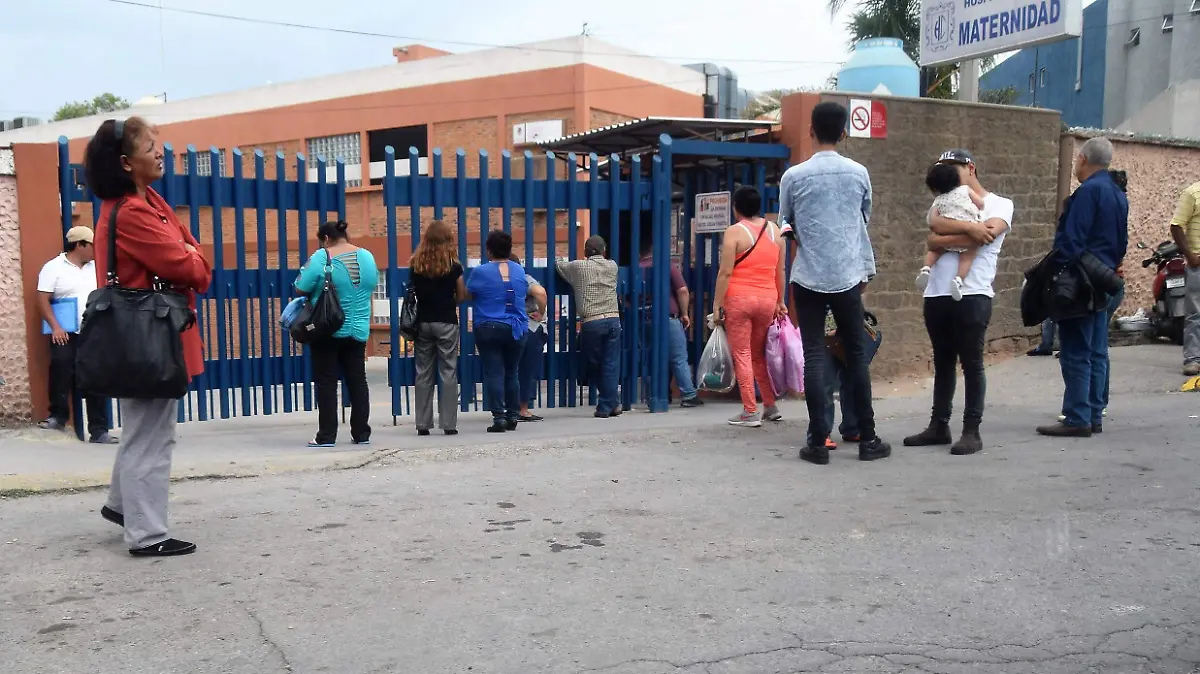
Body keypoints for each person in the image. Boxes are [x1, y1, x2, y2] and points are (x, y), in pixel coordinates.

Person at [87, 116, 212, 557]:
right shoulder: (136, 212)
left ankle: (123, 507)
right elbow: (191, 267)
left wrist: (188, 250)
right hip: (149, 336)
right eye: (149, 147)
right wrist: (193, 254)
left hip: (141, 332)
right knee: (153, 435)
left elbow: (185, 248)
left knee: (144, 428)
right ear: (125, 162)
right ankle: (146, 534)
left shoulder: (144, 200)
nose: (160, 152)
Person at [779, 101, 890, 465]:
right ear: (844, 133)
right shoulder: (859, 173)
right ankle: (867, 437)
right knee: (856, 355)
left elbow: (786, 225)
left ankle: (817, 440)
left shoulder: (793, 177)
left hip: (808, 276)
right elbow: (864, 217)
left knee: (813, 352)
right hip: (848, 275)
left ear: (811, 131)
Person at [903, 148, 1014, 455]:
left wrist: (948, 234)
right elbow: (932, 238)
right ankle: (938, 425)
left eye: (953, 167)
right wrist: (968, 228)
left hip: (973, 293)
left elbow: (986, 236)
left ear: (970, 168)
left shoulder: (999, 204)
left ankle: (971, 430)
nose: (949, 173)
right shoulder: (944, 199)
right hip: (937, 292)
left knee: (972, 362)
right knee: (942, 362)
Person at [1036, 137, 1128, 438]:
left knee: (1075, 349)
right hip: (1104, 279)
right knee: (1097, 349)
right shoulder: (1116, 193)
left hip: (1081, 280)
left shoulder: (1088, 193)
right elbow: (1121, 241)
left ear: (1084, 159)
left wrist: (1054, 272)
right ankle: (1093, 412)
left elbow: (1071, 241)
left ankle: (1077, 416)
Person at [294, 220, 378, 448]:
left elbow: (300, 286)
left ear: (326, 239)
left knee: (327, 382)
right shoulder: (367, 257)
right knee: (358, 380)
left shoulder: (322, 256)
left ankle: (326, 436)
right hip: (358, 328)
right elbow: (371, 284)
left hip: (328, 328)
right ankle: (361, 433)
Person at [712, 186, 786, 427]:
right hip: (767, 299)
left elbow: (725, 273)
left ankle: (749, 410)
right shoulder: (775, 231)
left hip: (740, 299)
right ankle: (770, 405)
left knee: (742, 353)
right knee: (758, 354)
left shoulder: (735, 231)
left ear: (736, 208)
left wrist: (717, 305)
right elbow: (780, 270)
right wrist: (780, 300)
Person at [36, 225, 116, 444]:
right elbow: (43, 298)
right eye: (92, 245)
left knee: (96, 376)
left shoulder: (96, 268)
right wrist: (56, 327)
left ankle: (99, 430)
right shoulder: (53, 268)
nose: (95, 250)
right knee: (61, 367)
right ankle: (58, 417)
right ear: (79, 245)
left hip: (94, 330)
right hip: (65, 331)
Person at [468, 230, 529, 433]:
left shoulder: (480, 272)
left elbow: (468, 294)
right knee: (512, 372)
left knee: (494, 372)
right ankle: (513, 416)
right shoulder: (519, 271)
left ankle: (499, 418)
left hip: (489, 326)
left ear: (488, 250)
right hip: (516, 327)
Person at [409, 220, 465, 437]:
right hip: (447, 321)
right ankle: (449, 424)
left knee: (423, 372)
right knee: (448, 371)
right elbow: (460, 296)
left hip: (423, 322)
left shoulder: (416, 265)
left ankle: (423, 424)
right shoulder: (454, 266)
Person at [557, 236, 622, 418]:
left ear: (586, 252)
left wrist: (559, 256)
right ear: (604, 251)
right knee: (610, 363)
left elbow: (559, 265)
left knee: (594, 364)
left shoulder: (578, 267)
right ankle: (613, 403)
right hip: (613, 319)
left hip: (592, 322)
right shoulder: (612, 266)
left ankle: (605, 406)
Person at [806, 310, 883, 450]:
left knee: (852, 377)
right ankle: (820, 433)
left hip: (846, 323)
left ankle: (852, 427)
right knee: (824, 379)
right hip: (824, 326)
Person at [639, 240, 703, 408]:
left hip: (643, 318)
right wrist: (684, 314)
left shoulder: (635, 268)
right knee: (678, 357)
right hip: (668, 317)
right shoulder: (665, 265)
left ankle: (656, 394)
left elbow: (627, 298)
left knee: (650, 357)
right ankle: (688, 394)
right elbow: (682, 290)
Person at [916, 163, 985, 301]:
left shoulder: (938, 200)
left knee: (935, 251)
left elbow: (932, 220)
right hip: (967, 233)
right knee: (968, 255)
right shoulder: (965, 190)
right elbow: (981, 204)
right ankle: (959, 279)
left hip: (946, 233)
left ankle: (926, 268)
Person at [1169, 178, 1200, 377]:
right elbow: (1176, 225)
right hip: (1198, 263)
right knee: (1196, 314)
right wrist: (1189, 255)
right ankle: (1193, 359)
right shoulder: (1192, 193)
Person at [515, 256, 549, 422]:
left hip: (509, 327)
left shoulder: (499, 280)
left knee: (509, 370)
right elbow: (540, 292)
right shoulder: (523, 278)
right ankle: (523, 409)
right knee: (527, 370)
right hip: (530, 327)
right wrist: (541, 313)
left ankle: (509, 408)